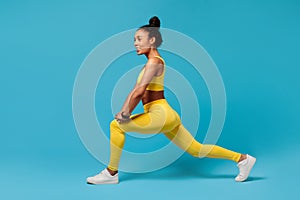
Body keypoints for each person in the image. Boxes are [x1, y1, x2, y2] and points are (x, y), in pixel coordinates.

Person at [86, 16, 256, 184]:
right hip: (166, 114)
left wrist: (125, 114)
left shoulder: (154, 62)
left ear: (152, 39)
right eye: (134, 39)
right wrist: (124, 112)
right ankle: (242, 159)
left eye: (139, 39)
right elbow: (135, 91)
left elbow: (139, 92)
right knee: (197, 150)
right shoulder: (151, 63)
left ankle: (111, 173)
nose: (135, 43)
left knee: (115, 126)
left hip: (160, 115)